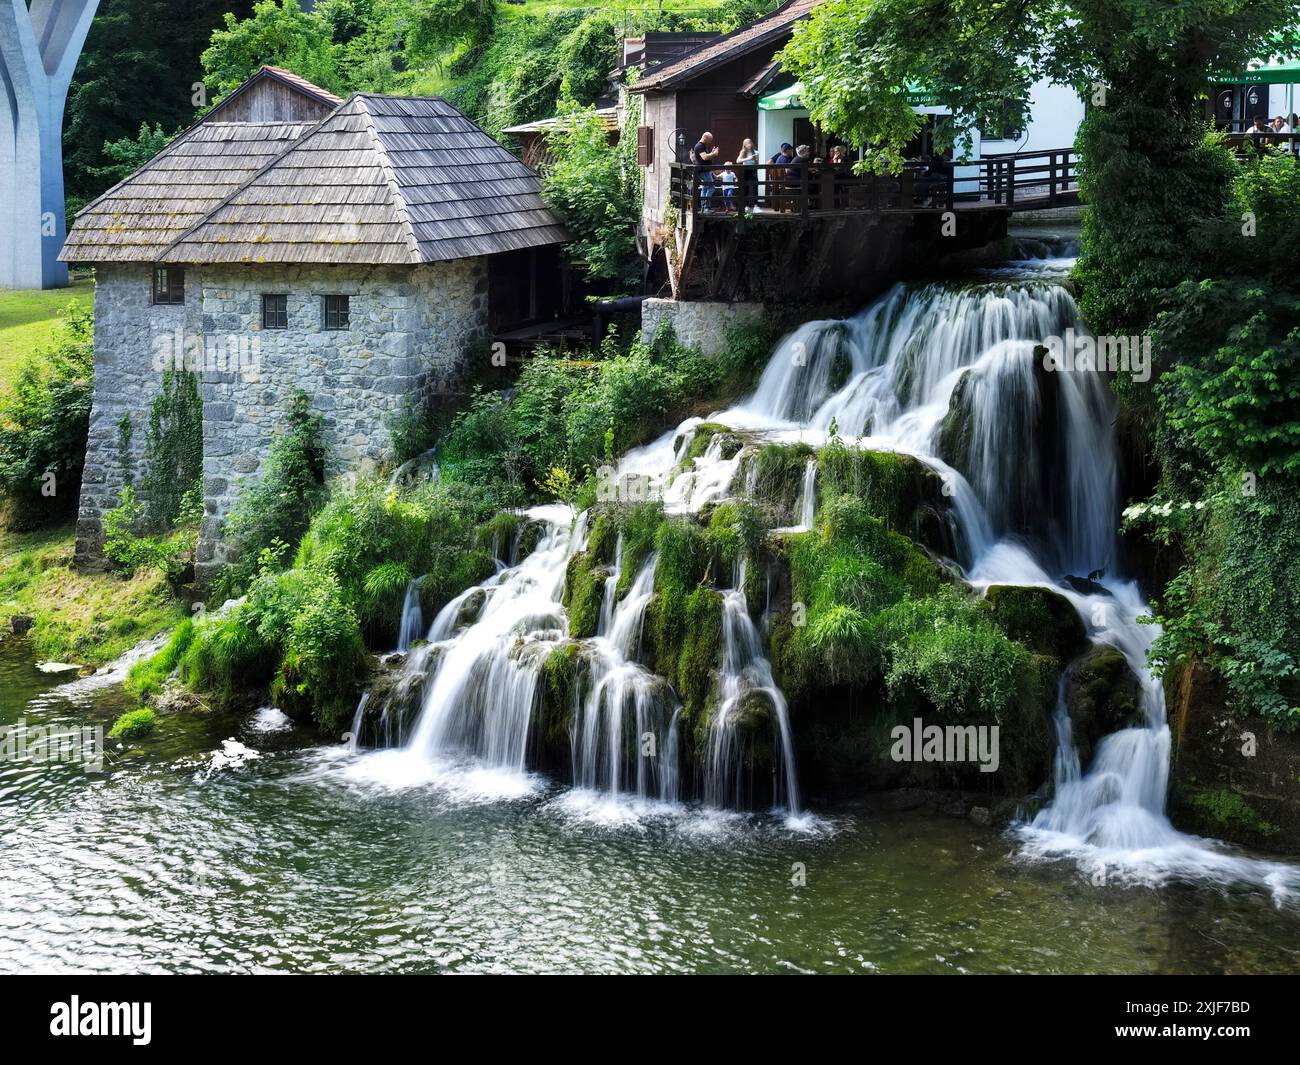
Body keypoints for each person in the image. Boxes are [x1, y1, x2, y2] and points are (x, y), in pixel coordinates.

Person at [691, 131, 720, 210]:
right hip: (704, 171)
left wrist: (711, 153)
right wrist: (714, 154)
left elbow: (705, 157)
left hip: (705, 170)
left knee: (705, 188)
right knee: (711, 188)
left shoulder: (702, 145)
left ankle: (704, 207)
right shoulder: (700, 146)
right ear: (705, 138)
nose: (711, 141)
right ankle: (706, 206)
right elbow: (705, 157)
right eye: (710, 139)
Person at [737, 138, 759, 210]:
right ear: (744, 145)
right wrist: (748, 158)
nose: (748, 145)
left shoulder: (756, 152)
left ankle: (756, 205)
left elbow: (757, 163)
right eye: (746, 144)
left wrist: (755, 160)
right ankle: (746, 206)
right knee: (745, 188)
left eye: (749, 143)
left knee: (755, 187)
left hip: (753, 170)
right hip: (745, 171)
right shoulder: (743, 152)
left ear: (752, 143)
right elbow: (738, 161)